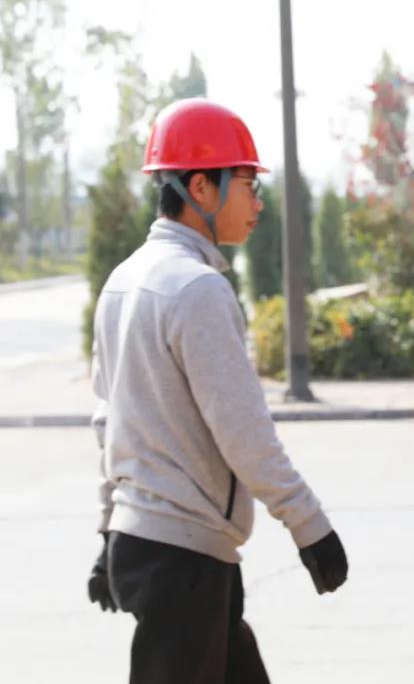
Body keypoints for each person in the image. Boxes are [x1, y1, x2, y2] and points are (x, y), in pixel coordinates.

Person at [85, 98, 348, 683]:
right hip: (184, 559)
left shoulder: (123, 281)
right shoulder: (197, 290)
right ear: (200, 187)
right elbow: (244, 433)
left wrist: (111, 529)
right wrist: (311, 529)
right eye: (247, 183)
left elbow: (108, 421)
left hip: (163, 549)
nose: (258, 200)